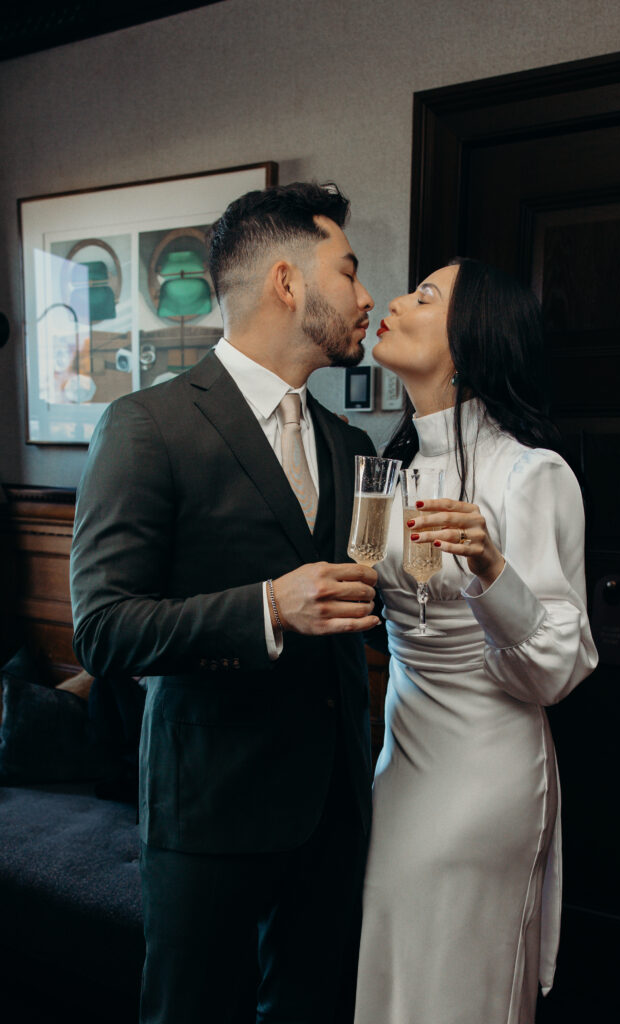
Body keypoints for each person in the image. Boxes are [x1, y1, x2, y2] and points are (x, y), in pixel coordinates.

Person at [70, 181, 381, 1024]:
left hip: (333, 804)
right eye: (348, 271)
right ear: (288, 282)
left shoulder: (349, 443)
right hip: (209, 806)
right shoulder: (148, 426)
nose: (364, 296)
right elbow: (101, 629)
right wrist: (268, 609)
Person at [354, 258, 599, 1024]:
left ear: (472, 341)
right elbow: (374, 597)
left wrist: (491, 567)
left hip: (482, 768)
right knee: (394, 970)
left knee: (455, 982)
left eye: (425, 296)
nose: (395, 300)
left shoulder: (531, 475)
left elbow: (556, 667)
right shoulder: (384, 472)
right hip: (401, 761)